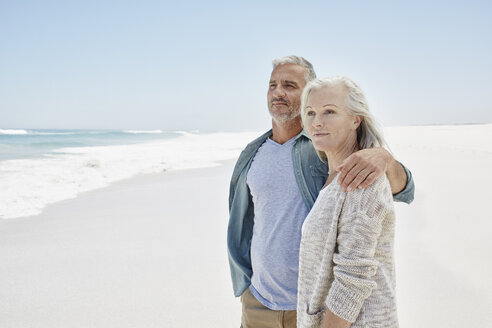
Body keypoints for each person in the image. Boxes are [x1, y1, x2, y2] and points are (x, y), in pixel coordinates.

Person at [227, 56, 414, 328]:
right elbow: (245, 223)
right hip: (258, 301)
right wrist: (246, 286)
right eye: (273, 85)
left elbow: (402, 190)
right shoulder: (252, 154)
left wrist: (384, 158)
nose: (278, 92)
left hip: (314, 308)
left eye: (290, 85)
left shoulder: (328, 148)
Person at [297, 76, 399, 328]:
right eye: (310, 112)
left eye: (329, 111)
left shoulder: (361, 180)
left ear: (356, 119)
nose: (317, 122)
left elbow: (352, 280)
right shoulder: (332, 176)